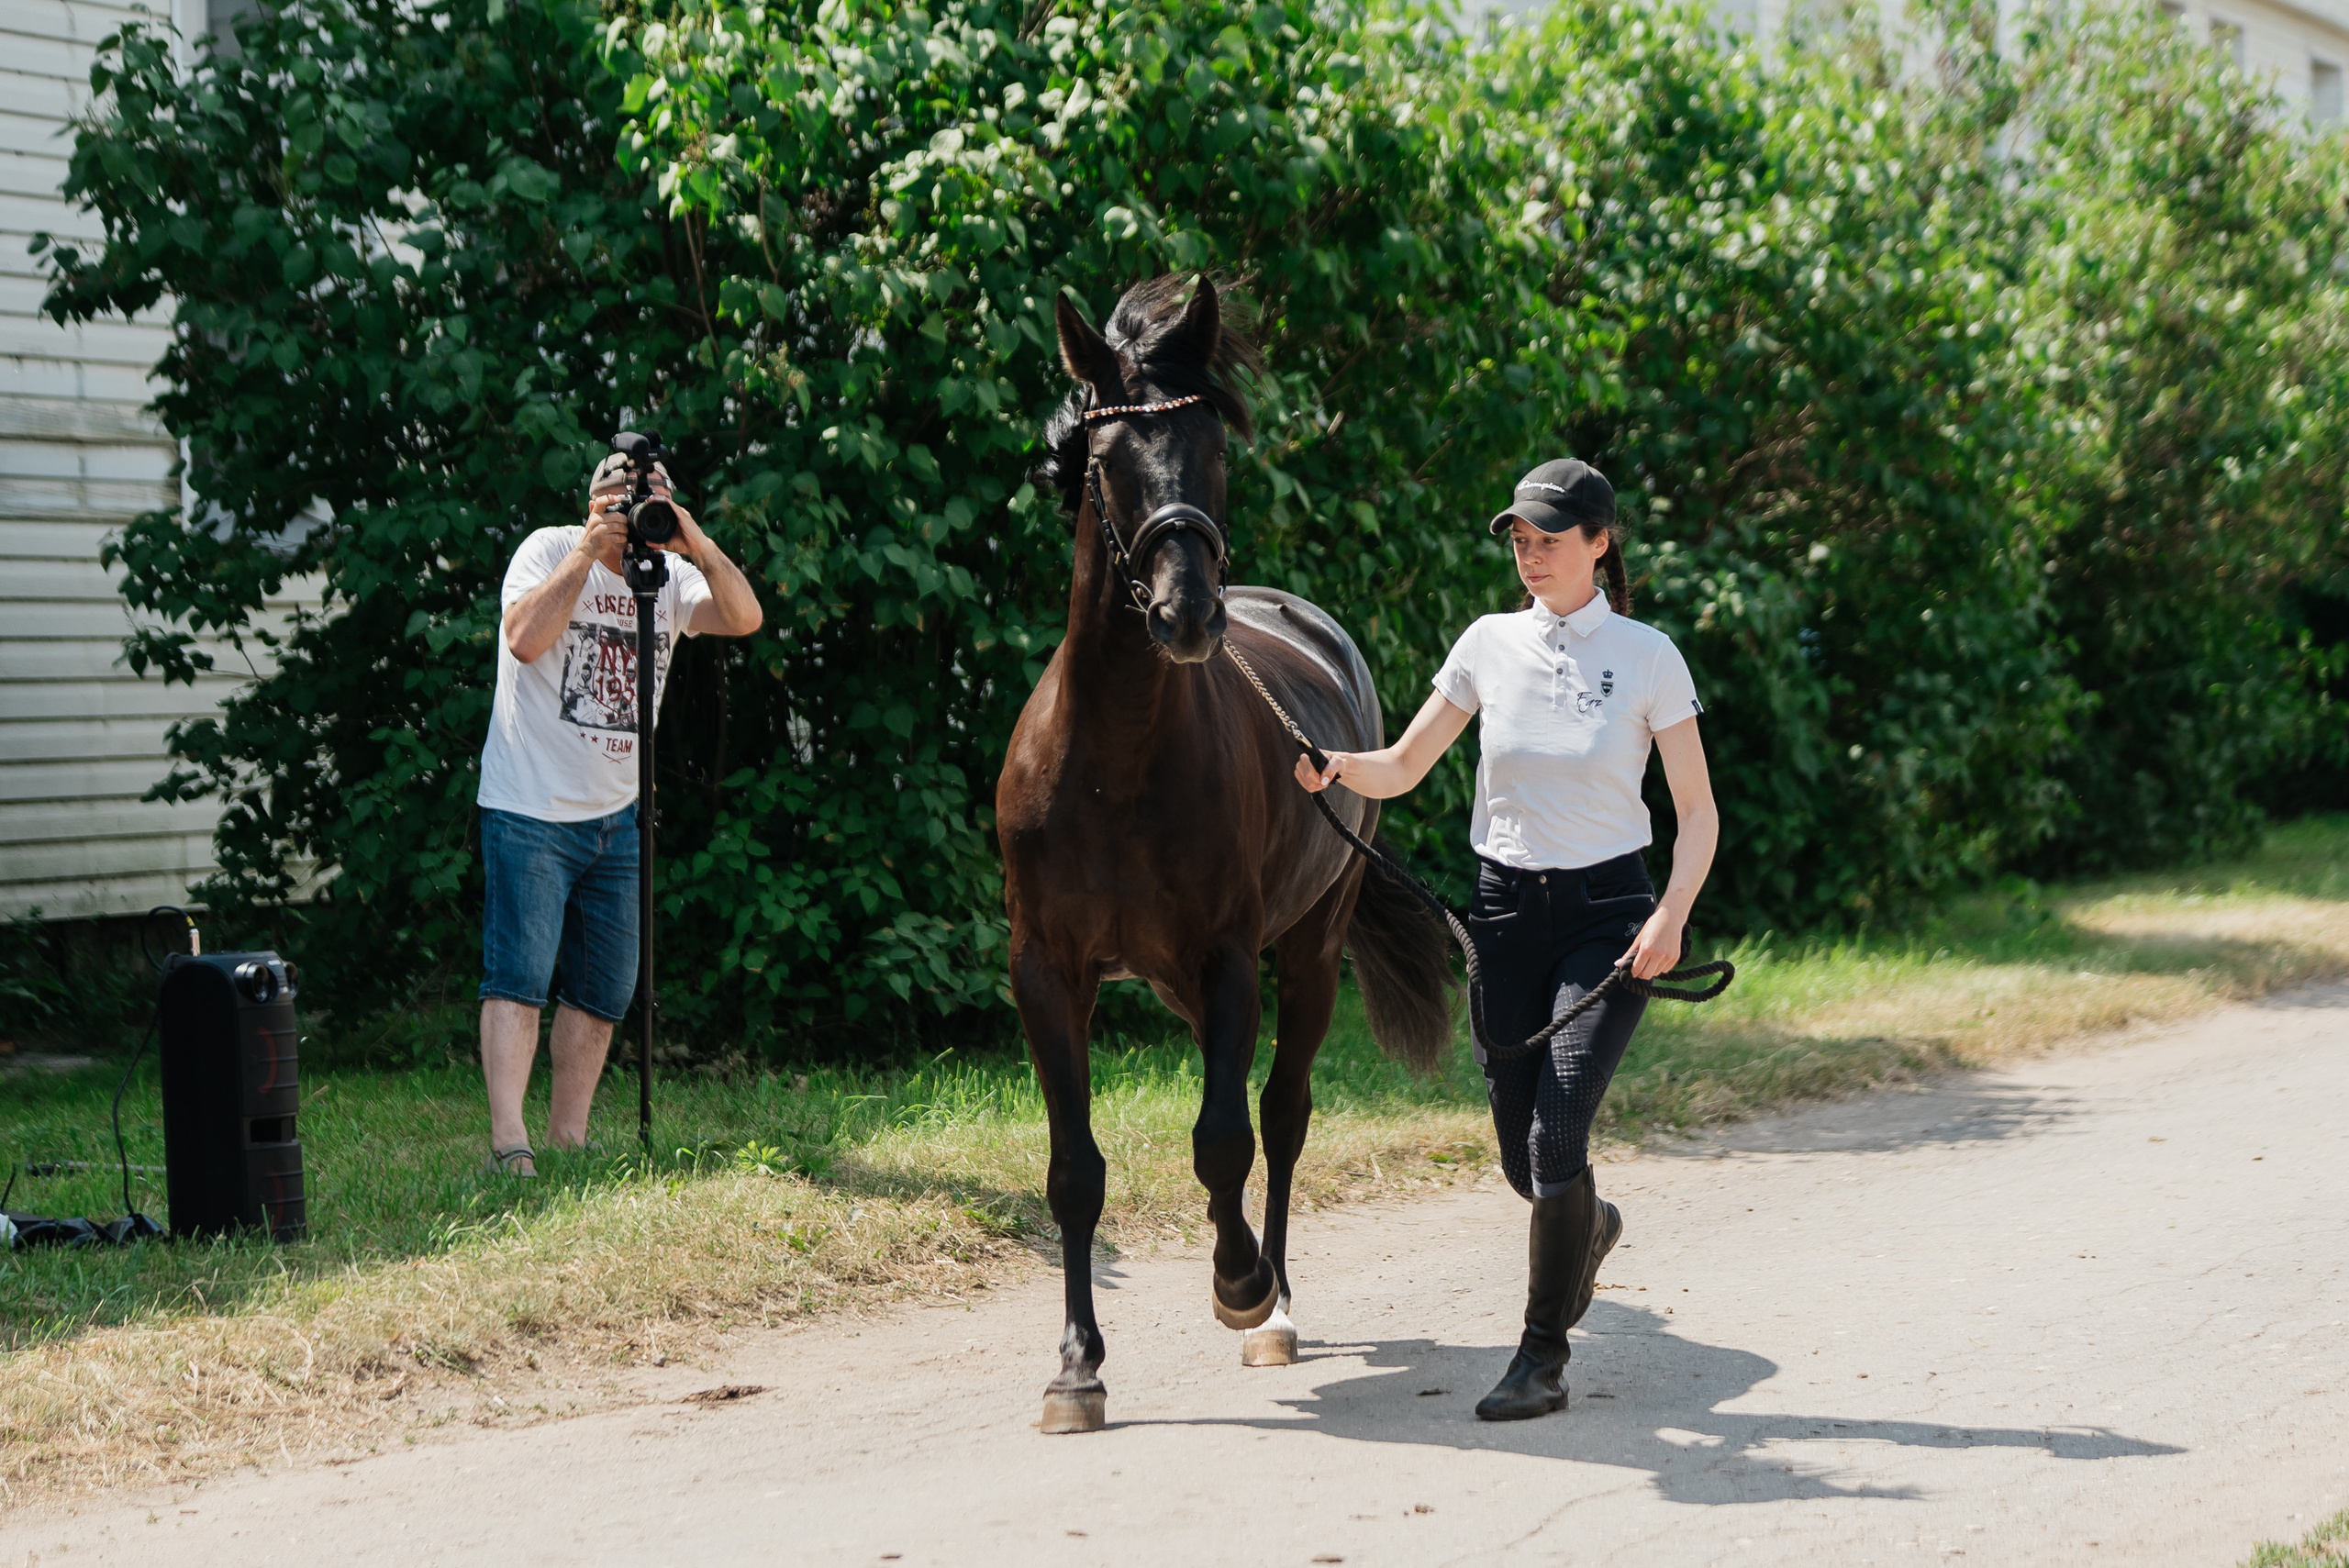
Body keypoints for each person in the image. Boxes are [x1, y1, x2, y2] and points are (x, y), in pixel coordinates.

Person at [1294, 458, 1719, 1420]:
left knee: (1558, 1123)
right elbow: (1402, 765)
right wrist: (1336, 766)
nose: (1529, 555)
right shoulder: (1487, 643)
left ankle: (1541, 1354)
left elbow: (1696, 814)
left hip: (1610, 916)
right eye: (1519, 540)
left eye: (1549, 538)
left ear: (1600, 542)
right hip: (1505, 914)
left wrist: (1670, 915)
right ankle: (1589, 1221)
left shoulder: (1650, 656)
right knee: (1524, 1164)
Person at [474, 455, 763, 1177]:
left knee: (606, 986)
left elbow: (745, 615)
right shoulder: (547, 549)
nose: (639, 515)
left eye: (653, 501)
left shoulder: (665, 578)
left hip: (618, 815)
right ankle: (511, 1142)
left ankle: (568, 1137)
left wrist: (691, 537)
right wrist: (587, 551)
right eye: (626, 501)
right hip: (530, 806)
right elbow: (523, 638)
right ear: (595, 502)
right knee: (519, 975)